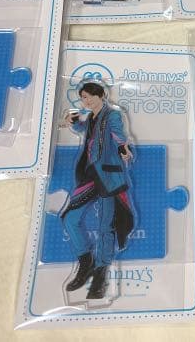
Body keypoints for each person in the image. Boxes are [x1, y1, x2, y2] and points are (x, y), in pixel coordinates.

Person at [60, 82, 135, 299]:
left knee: (105, 226)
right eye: (83, 97)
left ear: (102, 95)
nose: (87, 101)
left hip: (108, 176)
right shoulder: (91, 118)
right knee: (69, 218)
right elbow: (83, 130)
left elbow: (118, 134)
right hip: (90, 175)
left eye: (90, 96)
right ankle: (86, 262)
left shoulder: (112, 115)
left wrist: (123, 148)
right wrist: (71, 122)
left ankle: (101, 273)